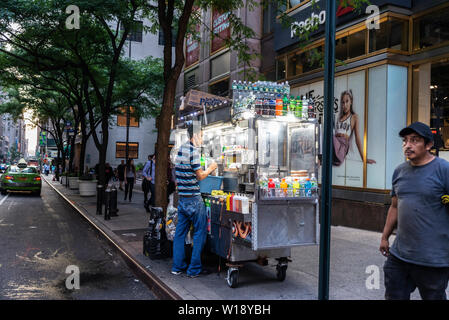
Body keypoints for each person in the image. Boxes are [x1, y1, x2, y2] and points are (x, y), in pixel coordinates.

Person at [379, 122, 449, 300]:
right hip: (400, 255)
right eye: (405, 141)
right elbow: (395, 206)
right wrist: (384, 237)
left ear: (428, 145)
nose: (407, 145)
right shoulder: (399, 171)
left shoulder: (443, 169)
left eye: (414, 140)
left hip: (433, 259)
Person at [171, 122, 217, 278]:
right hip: (194, 200)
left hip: (183, 199)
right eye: (202, 136)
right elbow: (200, 176)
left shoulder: (180, 151)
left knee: (180, 234)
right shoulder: (193, 151)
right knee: (200, 233)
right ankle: (194, 269)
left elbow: (180, 175)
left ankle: (177, 267)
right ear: (195, 135)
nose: (202, 139)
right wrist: (211, 168)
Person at [333, 90, 376, 166]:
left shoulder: (354, 117)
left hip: (342, 146)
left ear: (351, 102)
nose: (345, 105)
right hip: (334, 144)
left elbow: (357, 138)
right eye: (343, 102)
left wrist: (363, 158)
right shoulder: (338, 117)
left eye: (347, 101)